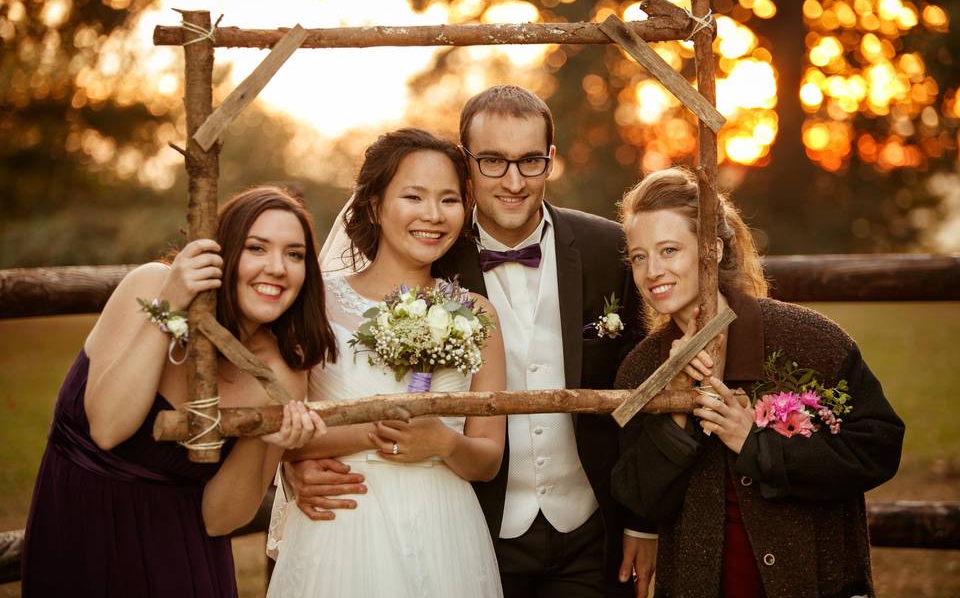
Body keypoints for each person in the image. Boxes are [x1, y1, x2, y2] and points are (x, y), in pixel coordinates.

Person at [288, 86, 655, 597]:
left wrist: (642, 520)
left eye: (530, 161)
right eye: (492, 161)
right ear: (467, 163)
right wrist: (295, 466)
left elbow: (640, 384)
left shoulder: (605, 248)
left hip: (590, 531)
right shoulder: (428, 249)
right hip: (473, 526)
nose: (513, 181)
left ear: (551, 160)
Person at [21, 186, 335, 597]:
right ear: (220, 254)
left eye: (294, 255)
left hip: (179, 562)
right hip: (74, 536)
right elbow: (107, 428)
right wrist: (166, 309)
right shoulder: (152, 286)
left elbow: (220, 519)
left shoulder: (281, 373)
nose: (277, 267)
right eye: (257, 248)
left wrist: (264, 438)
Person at [611, 167, 905, 597]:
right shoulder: (640, 370)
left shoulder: (811, 340)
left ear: (710, 250)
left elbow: (879, 447)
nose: (652, 270)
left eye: (669, 250)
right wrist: (673, 408)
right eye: (639, 256)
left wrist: (757, 444)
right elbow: (640, 498)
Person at [266, 128, 507, 597]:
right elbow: (283, 431)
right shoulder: (314, 304)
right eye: (413, 196)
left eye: (450, 200)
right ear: (375, 206)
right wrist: (371, 436)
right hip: (342, 522)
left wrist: (443, 443)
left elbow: (488, 460)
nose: (433, 216)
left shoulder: (477, 313)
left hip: (444, 529)